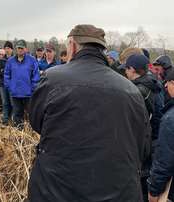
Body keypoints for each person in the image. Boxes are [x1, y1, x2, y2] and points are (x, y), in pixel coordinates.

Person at [28, 24, 151, 202]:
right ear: (102, 49)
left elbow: (36, 121)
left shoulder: (52, 79)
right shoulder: (131, 90)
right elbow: (143, 146)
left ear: (72, 45)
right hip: (118, 191)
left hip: (57, 189)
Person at [122, 54, 163, 200]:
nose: (125, 73)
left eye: (126, 69)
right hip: (154, 140)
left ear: (132, 69)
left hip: (144, 144)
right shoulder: (153, 82)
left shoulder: (138, 91)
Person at [147, 70, 174, 202]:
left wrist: (154, 190)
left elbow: (164, 161)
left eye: (168, 82)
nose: (165, 86)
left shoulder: (170, 118)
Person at [4, 39, 40, 129]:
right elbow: (7, 75)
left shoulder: (32, 60)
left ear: (26, 49)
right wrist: (10, 87)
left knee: (30, 113)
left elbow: (36, 75)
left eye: (21, 48)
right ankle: (18, 132)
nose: (20, 50)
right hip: (15, 93)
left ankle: (31, 131)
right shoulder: (10, 61)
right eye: (18, 48)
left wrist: (33, 88)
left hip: (28, 93)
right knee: (17, 113)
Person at [0, 49, 10, 124]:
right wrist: (5, 72)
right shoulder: (1, 61)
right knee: (4, 102)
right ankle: (5, 119)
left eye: (9, 48)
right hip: (2, 84)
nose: (1, 56)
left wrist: (4, 71)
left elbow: (12, 72)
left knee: (12, 103)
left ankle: (12, 118)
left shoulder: (13, 60)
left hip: (11, 85)